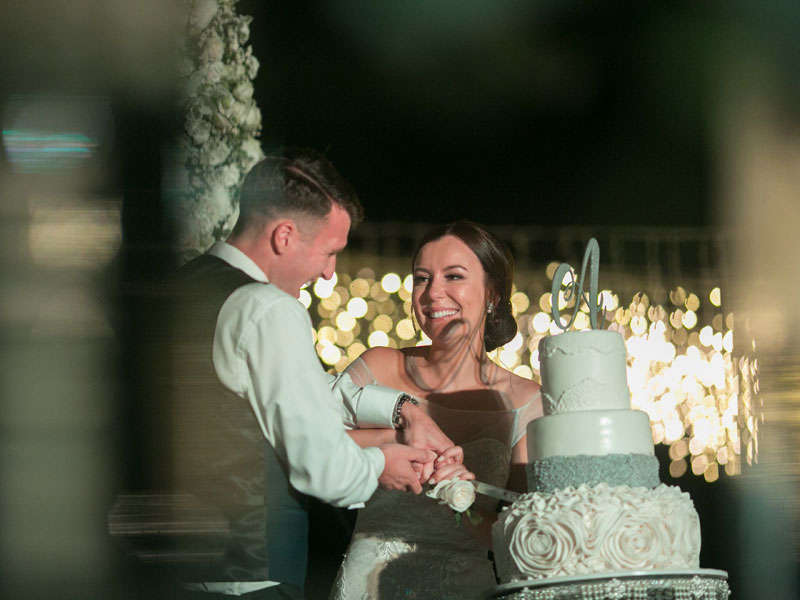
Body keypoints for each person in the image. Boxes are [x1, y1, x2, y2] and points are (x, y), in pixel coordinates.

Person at [168, 148, 461, 600]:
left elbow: (306, 392)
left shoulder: (179, 289)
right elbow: (321, 469)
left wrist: (404, 410)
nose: (329, 273)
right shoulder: (268, 309)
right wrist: (383, 466)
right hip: (251, 577)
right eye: (329, 252)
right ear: (285, 235)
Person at [329, 221, 543, 599]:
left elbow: (519, 537)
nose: (433, 293)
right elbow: (310, 443)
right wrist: (394, 439)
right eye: (422, 279)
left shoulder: (526, 401)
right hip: (365, 588)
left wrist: (463, 504)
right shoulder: (379, 367)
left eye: (454, 276)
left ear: (492, 292)